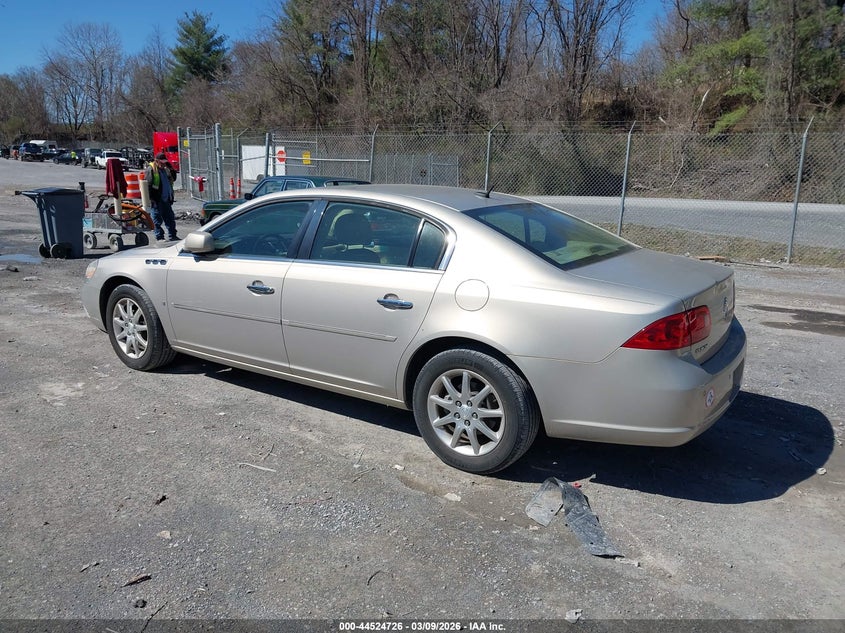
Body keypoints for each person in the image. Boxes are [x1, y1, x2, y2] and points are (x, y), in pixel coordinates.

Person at [144, 153, 178, 242]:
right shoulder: (151, 169)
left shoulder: (166, 169)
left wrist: (171, 168)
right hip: (157, 200)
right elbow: (148, 185)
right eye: (162, 162)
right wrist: (152, 199)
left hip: (166, 199)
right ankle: (159, 237)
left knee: (170, 218)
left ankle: (172, 235)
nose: (164, 164)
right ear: (157, 161)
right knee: (156, 219)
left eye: (165, 162)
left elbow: (173, 178)